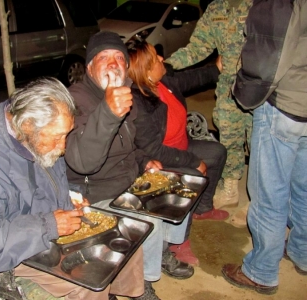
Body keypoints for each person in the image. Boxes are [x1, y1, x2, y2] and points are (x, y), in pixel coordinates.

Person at [0, 78, 145, 300]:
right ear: (27, 126)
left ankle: (124, 293)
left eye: (66, 135)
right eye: (57, 137)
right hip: (16, 249)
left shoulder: (31, 127)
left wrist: (69, 196)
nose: (63, 147)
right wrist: (48, 225)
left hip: (43, 226)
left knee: (124, 242)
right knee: (88, 280)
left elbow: (38, 183)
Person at [65, 31, 194, 300]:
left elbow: (128, 146)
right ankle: (142, 284)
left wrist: (145, 160)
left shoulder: (127, 95)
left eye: (118, 58)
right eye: (103, 58)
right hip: (96, 192)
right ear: (89, 67)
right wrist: (109, 112)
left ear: (126, 67)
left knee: (179, 189)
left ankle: (160, 254)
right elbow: (83, 162)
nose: (113, 64)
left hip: (127, 181)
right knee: (146, 221)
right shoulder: (75, 100)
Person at [222, 0, 307, 295]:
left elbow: (269, 50)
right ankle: (303, 252)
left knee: (270, 193)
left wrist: (243, 87)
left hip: (285, 105)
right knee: (305, 187)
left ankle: (261, 270)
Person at [126, 41, 228, 266]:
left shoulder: (164, 82)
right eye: (156, 59)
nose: (162, 59)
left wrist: (216, 69)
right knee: (194, 177)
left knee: (218, 153)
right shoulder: (138, 103)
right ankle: (178, 242)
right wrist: (193, 161)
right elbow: (153, 149)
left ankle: (203, 208)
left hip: (182, 147)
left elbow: (192, 78)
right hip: (159, 160)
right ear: (146, 70)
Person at [164, 0, 253, 228]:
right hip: (228, 88)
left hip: (257, 86)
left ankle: (258, 201)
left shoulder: (263, 4)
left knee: (259, 144)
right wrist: (162, 67)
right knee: (229, 136)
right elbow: (198, 47)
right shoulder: (217, 8)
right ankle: (231, 185)